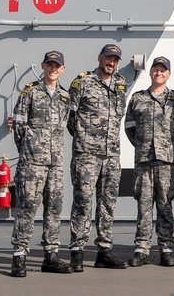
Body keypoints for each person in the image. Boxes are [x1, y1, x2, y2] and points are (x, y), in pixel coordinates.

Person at [10, 50, 75, 277]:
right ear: (43, 66)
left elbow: (70, 126)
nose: (53, 69)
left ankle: (51, 255)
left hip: (55, 163)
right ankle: (19, 256)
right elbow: (18, 126)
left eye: (57, 66)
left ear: (63, 69)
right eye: (50, 65)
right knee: (27, 207)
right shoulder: (30, 92)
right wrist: (28, 151)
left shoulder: (66, 97)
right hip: (32, 163)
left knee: (54, 208)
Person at [68, 44, 130, 270]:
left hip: (111, 155)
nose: (111, 62)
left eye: (115, 59)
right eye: (108, 58)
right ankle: (77, 251)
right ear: (99, 58)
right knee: (82, 202)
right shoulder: (82, 82)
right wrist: (86, 140)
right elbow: (70, 117)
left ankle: (104, 251)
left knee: (108, 204)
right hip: (87, 155)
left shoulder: (121, 84)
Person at [124, 56, 174, 268]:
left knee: (165, 205)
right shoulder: (138, 99)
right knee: (143, 205)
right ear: (150, 73)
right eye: (155, 70)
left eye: (163, 70)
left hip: (167, 162)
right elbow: (129, 127)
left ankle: (166, 248)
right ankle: (142, 249)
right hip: (144, 161)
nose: (159, 73)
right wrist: (143, 144)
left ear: (169, 74)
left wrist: (168, 145)